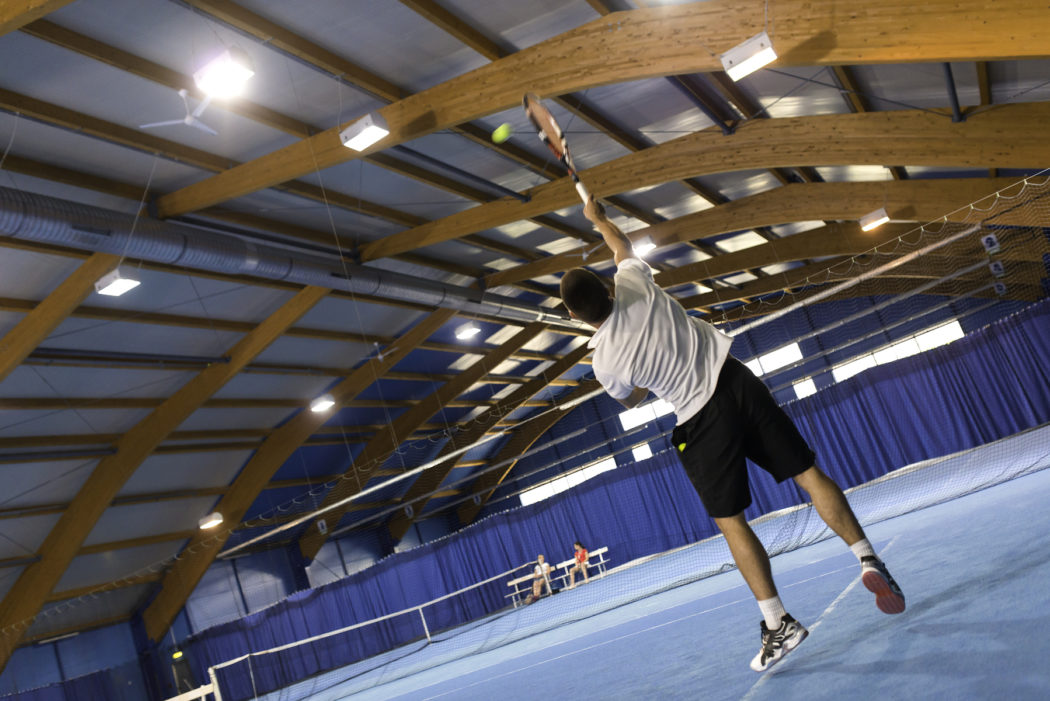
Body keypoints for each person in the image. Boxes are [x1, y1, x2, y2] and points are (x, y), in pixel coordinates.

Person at [559, 198, 905, 672]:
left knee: (733, 524)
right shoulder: (634, 281)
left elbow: (632, 399)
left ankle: (778, 621)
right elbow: (619, 245)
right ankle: (868, 558)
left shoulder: (603, 360)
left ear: (578, 318)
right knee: (807, 472)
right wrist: (598, 219)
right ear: (606, 286)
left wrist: (647, 367)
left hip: (699, 422)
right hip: (737, 379)